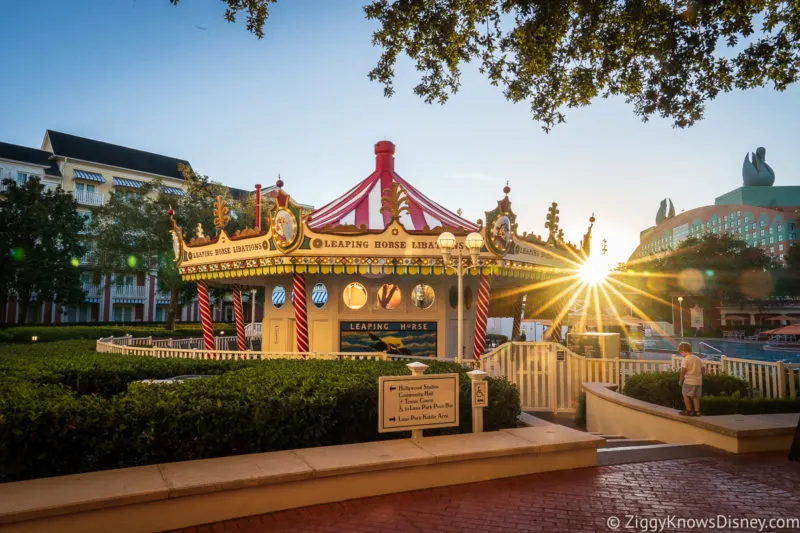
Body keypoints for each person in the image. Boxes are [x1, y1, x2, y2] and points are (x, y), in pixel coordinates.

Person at [677, 342, 705, 416]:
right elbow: (703, 369)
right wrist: (700, 375)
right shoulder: (697, 358)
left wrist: (680, 380)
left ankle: (688, 410)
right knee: (695, 396)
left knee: (685, 394)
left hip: (689, 381)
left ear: (682, 351)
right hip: (698, 381)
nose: (681, 354)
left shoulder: (685, 359)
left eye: (680, 352)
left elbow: (683, 371)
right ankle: (697, 411)